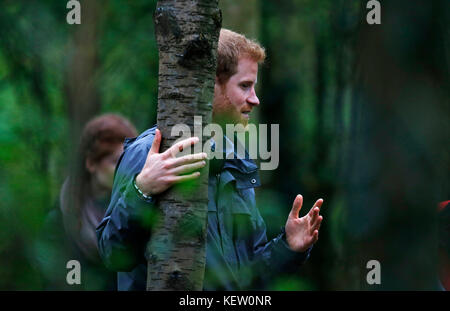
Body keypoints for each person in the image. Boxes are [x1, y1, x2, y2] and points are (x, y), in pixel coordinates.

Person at [96, 29, 325, 290]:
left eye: (254, 86)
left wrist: (289, 247)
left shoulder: (237, 159)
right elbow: (112, 254)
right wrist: (142, 189)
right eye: (245, 86)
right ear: (210, 84)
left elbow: (248, 278)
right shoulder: (151, 153)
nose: (255, 99)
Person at [38, 114, 138, 290]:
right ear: (91, 163)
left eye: (129, 161)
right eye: (117, 161)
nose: (125, 169)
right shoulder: (61, 220)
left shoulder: (134, 209)